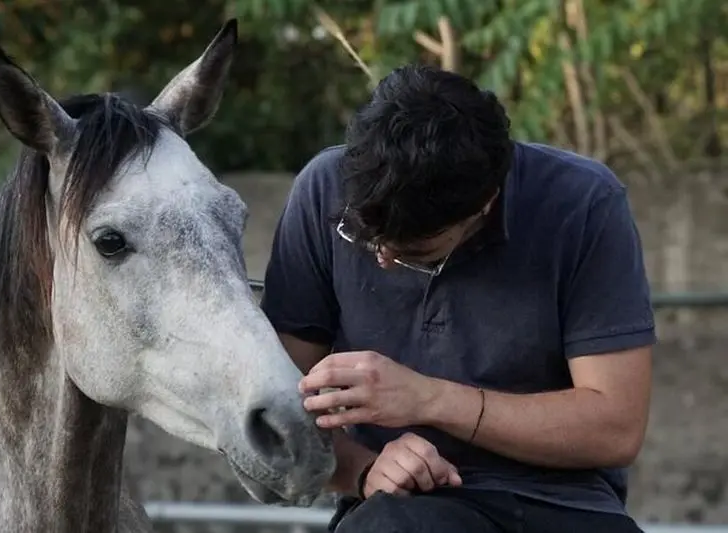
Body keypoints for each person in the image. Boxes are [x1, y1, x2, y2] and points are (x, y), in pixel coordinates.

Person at [260, 63, 655, 533]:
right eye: (363, 236)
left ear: (485, 203)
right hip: (402, 510)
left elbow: (615, 430)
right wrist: (363, 470)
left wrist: (430, 399)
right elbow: (275, 410)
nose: (383, 259)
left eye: (416, 254)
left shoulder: (584, 202)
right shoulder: (323, 188)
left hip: (564, 506)